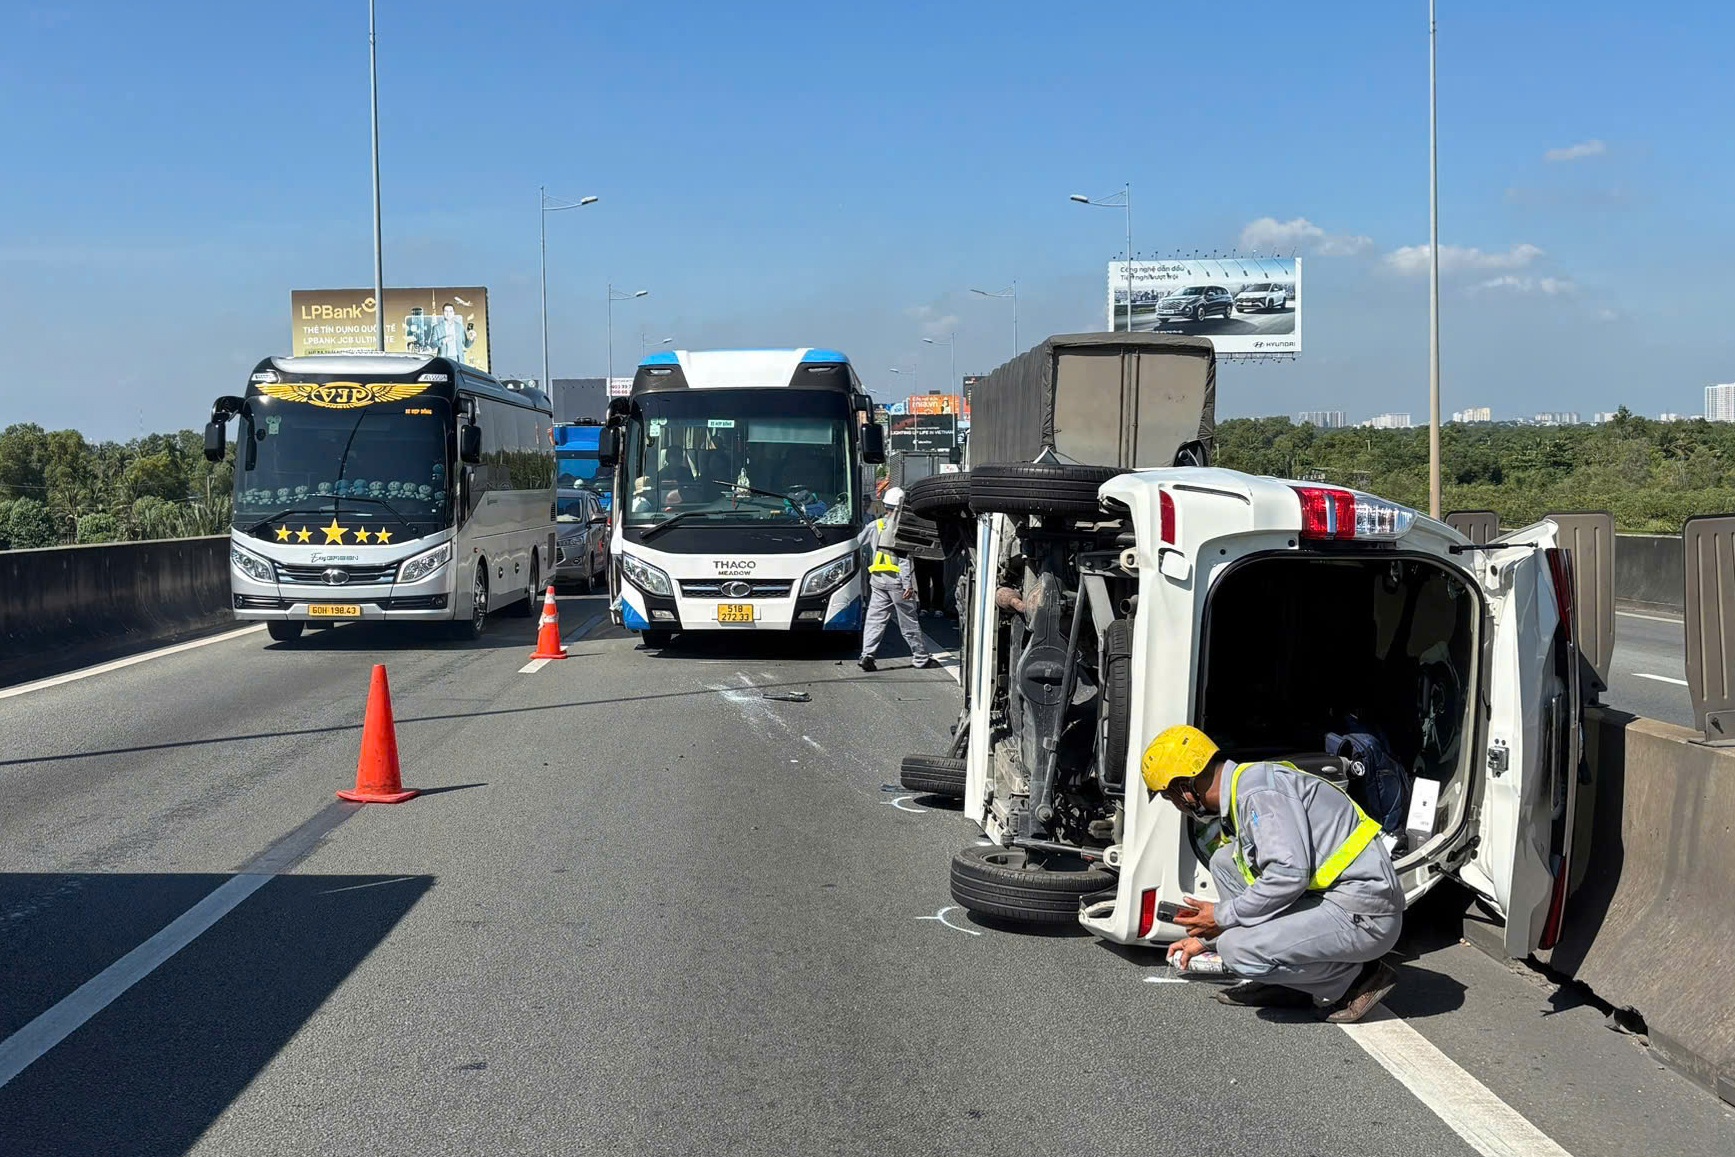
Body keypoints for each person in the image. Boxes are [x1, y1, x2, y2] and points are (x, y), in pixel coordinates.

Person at [1141, 724, 1402, 1023]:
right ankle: (1284, 980)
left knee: (1235, 950)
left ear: (1184, 788)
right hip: (1334, 900)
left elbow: (1288, 875)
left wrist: (1221, 918)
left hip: (1365, 915)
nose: (1176, 807)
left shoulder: (1260, 794)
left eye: (1169, 798)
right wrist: (1205, 941)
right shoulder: (1249, 785)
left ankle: (1357, 978)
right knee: (1225, 861)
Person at [858, 487, 933, 672]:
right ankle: (921, 658)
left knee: (875, 619)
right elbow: (904, 559)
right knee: (908, 621)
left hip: (877, 579)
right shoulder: (902, 528)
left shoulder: (875, 525)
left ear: (885, 506)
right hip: (898, 583)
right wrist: (908, 584)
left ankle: (867, 654)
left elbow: (858, 543)